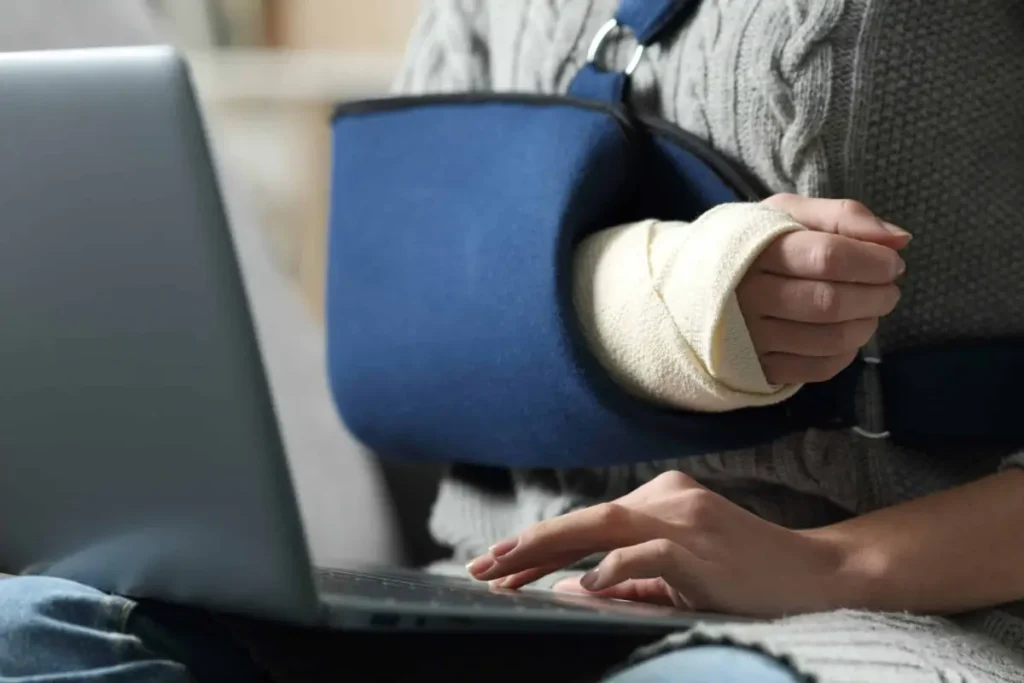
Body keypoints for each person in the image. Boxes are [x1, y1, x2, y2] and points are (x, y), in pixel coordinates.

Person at [4, 0, 1024, 681]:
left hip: (882, 607)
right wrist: (632, 307)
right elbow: (397, 318)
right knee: (29, 629)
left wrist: (829, 564)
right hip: (496, 590)